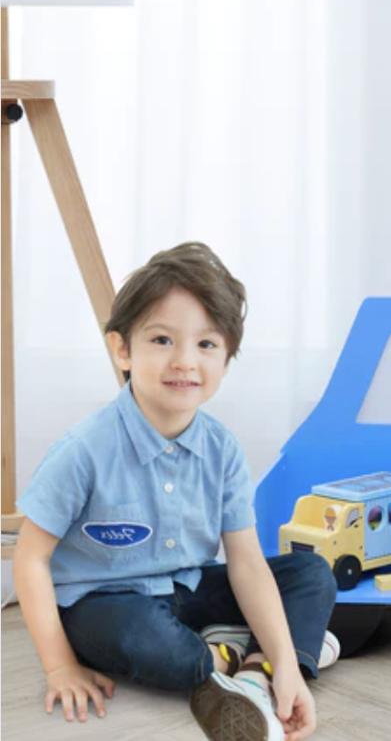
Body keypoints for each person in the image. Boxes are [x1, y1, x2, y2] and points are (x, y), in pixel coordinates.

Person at [13, 242, 338, 741]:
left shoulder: (223, 450)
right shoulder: (84, 449)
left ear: (226, 360)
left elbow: (247, 563)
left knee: (313, 574)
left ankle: (255, 667)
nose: (185, 361)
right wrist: (59, 668)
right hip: (107, 601)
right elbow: (31, 559)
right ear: (123, 349)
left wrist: (288, 672)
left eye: (207, 345)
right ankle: (231, 653)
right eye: (162, 340)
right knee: (152, 643)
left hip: (189, 586)